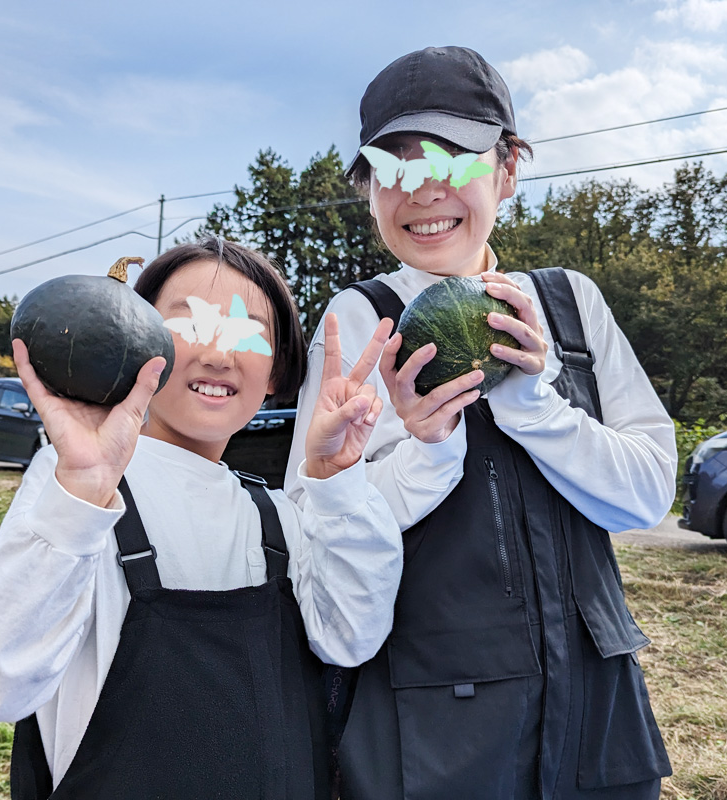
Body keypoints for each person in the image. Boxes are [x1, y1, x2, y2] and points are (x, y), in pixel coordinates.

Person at [285, 47, 675, 799]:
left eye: (455, 159)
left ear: (506, 170)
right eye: (393, 167)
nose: (424, 190)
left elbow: (647, 496)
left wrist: (535, 407)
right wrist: (425, 448)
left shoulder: (569, 306)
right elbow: (321, 529)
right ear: (369, 193)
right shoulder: (360, 320)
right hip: (432, 727)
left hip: (597, 710)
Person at [0, 238, 403, 799]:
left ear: (277, 373)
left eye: (247, 332)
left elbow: (352, 638)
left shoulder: (279, 517)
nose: (218, 354)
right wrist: (81, 491)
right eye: (188, 324)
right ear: (137, 344)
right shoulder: (78, 487)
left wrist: (338, 478)